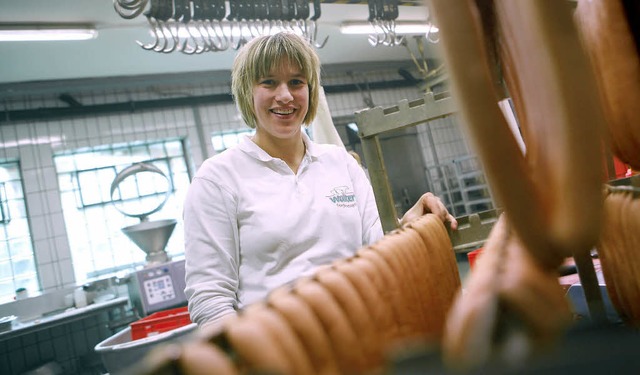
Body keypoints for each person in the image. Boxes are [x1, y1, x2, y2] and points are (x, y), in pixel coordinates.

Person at [183, 32, 457, 327]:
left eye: (297, 82)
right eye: (269, 82)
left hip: (365, 329)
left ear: (311, 90)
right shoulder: (217, 179)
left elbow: (377, 250)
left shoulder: (341, 163)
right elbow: (210, 299)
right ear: (247, 92)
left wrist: (410, 224)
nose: (285, 95)